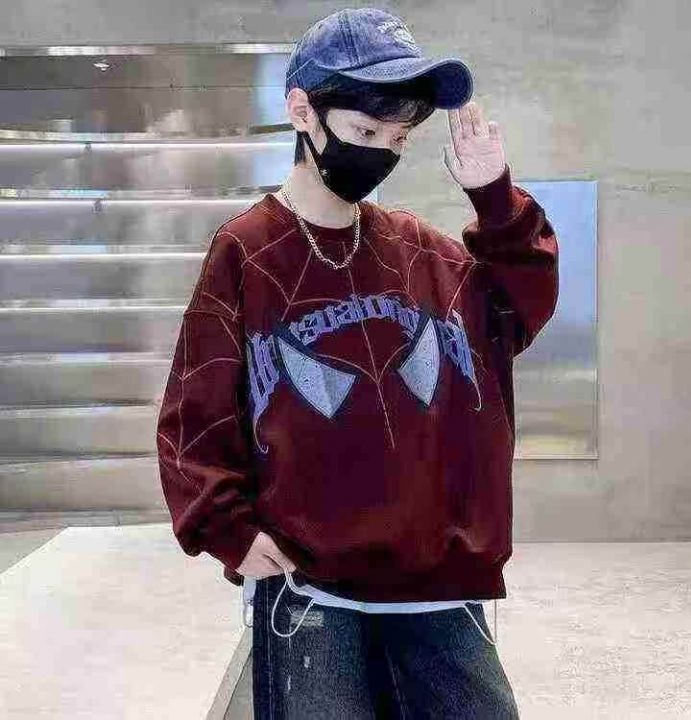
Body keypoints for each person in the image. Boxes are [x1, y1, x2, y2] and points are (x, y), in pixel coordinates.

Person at [156, 7, 559, 718]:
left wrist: (496, 200)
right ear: (302, 112)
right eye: (365, 133)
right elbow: (198, 406)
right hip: (311, 591)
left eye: (397, 138)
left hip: (438, 588)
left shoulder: (420, 250)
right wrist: (227, 530)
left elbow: (517, 311)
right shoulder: (247, 250)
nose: (381, 154)